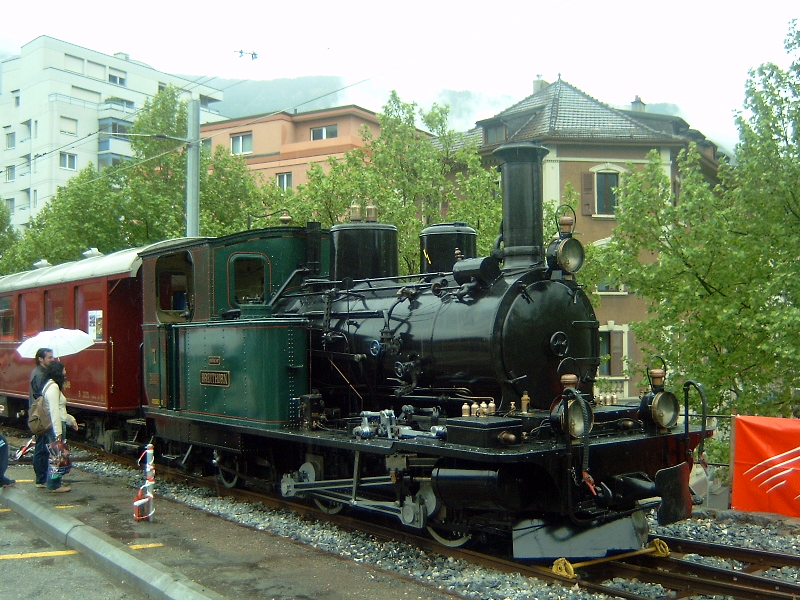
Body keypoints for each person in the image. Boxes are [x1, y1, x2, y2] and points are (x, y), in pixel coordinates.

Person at [42, 361, 78, 493]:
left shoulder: (53, 386)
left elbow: (61, 411)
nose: (65, 373)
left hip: (56, 425)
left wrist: (71, 420)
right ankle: (54, 485)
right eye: (63, 370)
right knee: (56, 457)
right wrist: (58, 433)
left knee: (57, 456)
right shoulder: (53, 388)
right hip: (54, 426)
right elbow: (55, 412)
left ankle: (55, 483)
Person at [29, 348, 54, 488]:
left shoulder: (39, 372)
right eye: (49, 357)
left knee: (42, 445)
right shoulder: (40, 375)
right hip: (41, 416)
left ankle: (42, 477)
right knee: (42, 446)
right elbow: (42, 396)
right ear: (41, 359)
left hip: (39, 414)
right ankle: (41, 478)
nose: (52, 359)